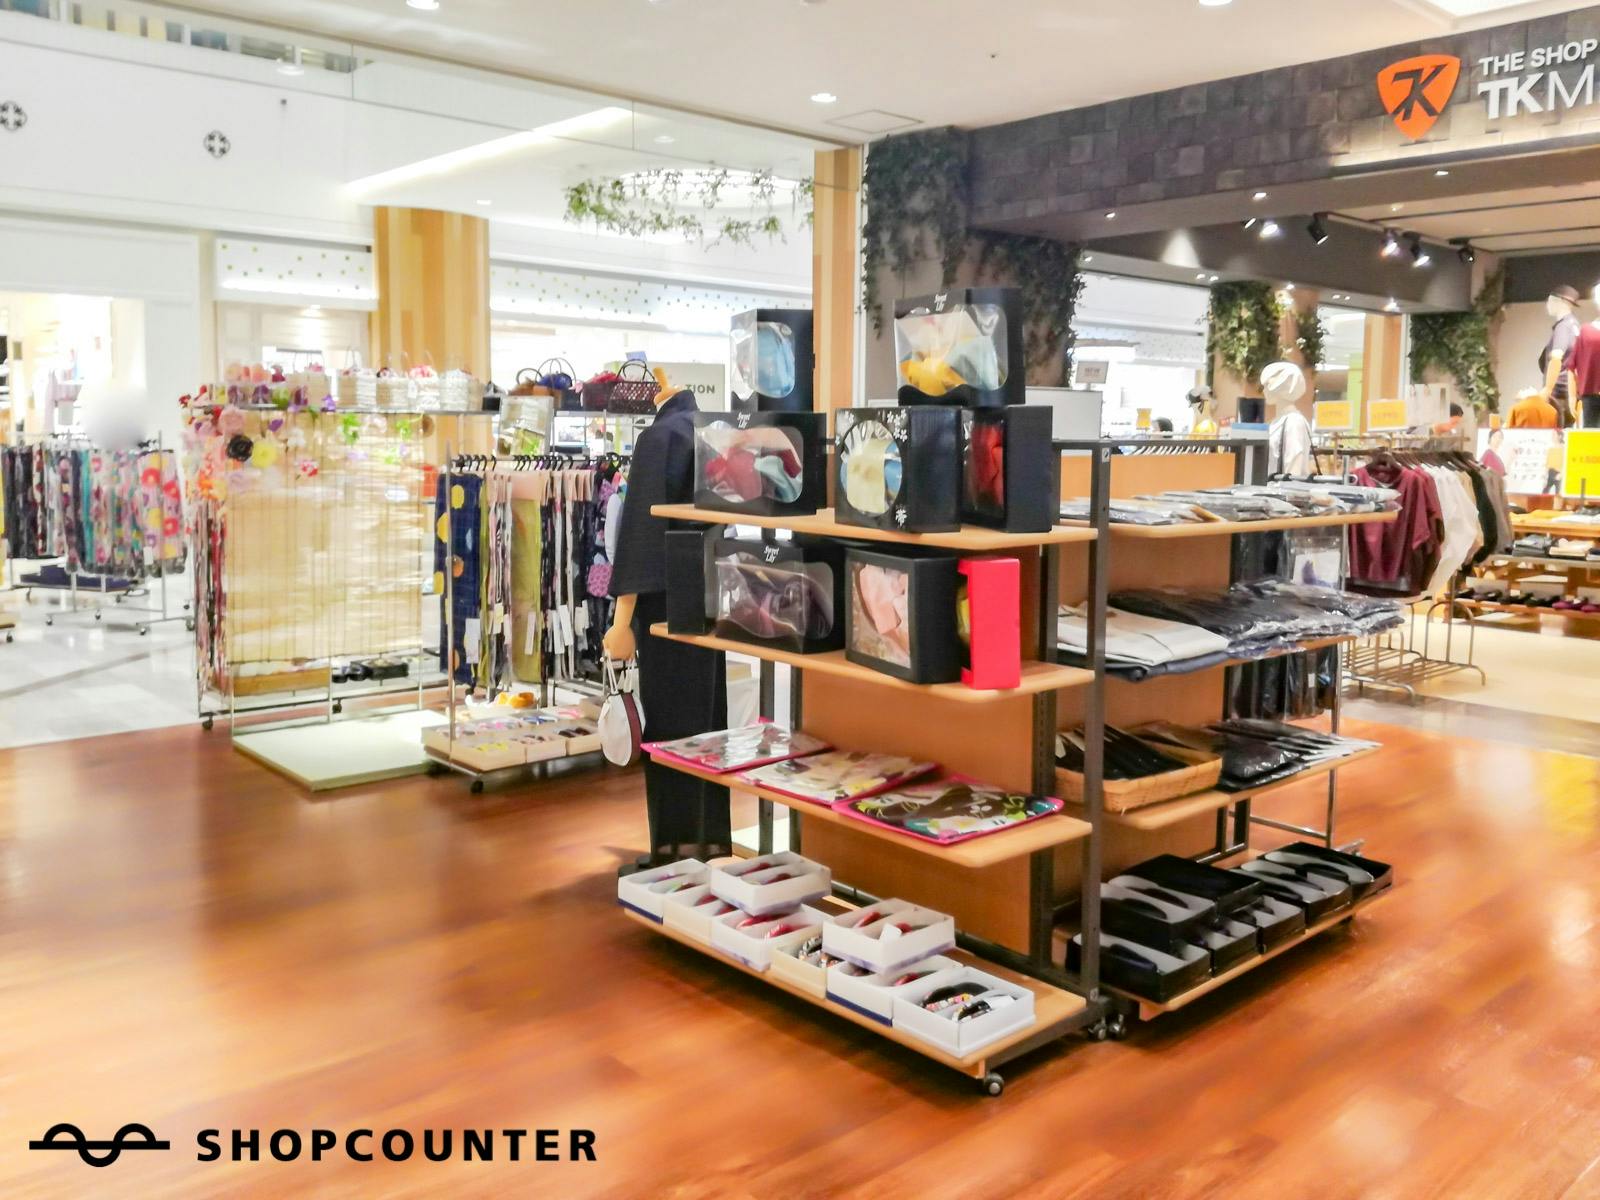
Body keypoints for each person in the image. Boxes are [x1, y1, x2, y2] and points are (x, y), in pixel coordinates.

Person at [604, 385, 731, 869]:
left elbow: (641, 531)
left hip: (663, 601)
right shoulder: (710, 428)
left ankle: (672, 854)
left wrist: (621, 622)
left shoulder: (658, 438)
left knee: (670, 730)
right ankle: (708, 844)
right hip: (708, 594)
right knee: (707, 725)